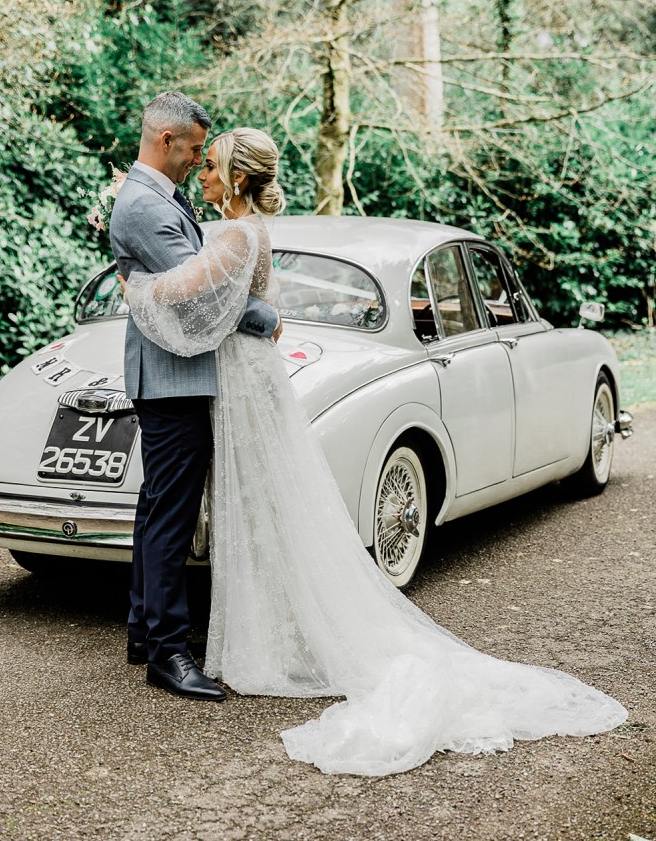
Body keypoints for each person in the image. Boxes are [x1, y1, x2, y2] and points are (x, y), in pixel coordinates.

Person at [123, 125, 627, 777]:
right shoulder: (230, 229)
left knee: (262, 504)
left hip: (241, 378)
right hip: (234, 379)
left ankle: (249, 628)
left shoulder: (239, 233)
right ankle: (206, 626)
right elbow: (233, 304)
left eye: (212, 164)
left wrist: (133, 281)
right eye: (201, 161)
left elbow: (187, 295)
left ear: (237, 178)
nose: (203, 174)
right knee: (245, 505)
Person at [109, 93, 281, 703]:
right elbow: (205, 299)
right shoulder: (143, 207)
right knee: (172, 515)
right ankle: (168, 651)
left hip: (183, 372)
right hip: (173, 376)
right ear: (166, 141)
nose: (195, 162)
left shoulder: (155, 198)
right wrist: (270, 319)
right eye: (190, 150)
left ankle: (145, 630)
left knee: (160, 508)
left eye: (205, 156)